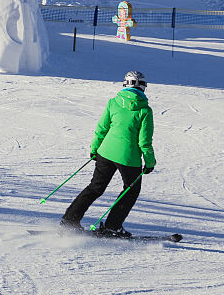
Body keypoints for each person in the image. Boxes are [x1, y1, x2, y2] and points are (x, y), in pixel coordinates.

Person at [60, 70, 157, 237]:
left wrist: (94, 149)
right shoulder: (145, 110)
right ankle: (112, 227)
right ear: (143, 87)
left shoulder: (113, 103)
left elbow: (102, 128)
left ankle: (69, 220)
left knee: (95, 187)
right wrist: (150, 162)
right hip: (128, 158)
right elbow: (144, 142)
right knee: (131, 190)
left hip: (105, 153)